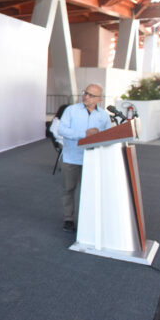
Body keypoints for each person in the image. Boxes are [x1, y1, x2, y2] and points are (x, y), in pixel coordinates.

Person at [56, 84, 112, 232]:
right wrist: (84, 134)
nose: (86, 96)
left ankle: (88, 220)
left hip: (93, 158)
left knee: (90, 191)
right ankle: (68, 218)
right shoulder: (71, 110)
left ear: (99, 99)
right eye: (85, 93)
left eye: (91, 95)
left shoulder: (104, 115)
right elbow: (61, 130)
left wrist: (100, 135)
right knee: (68, 189)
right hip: (71, 157)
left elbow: (108, 135)